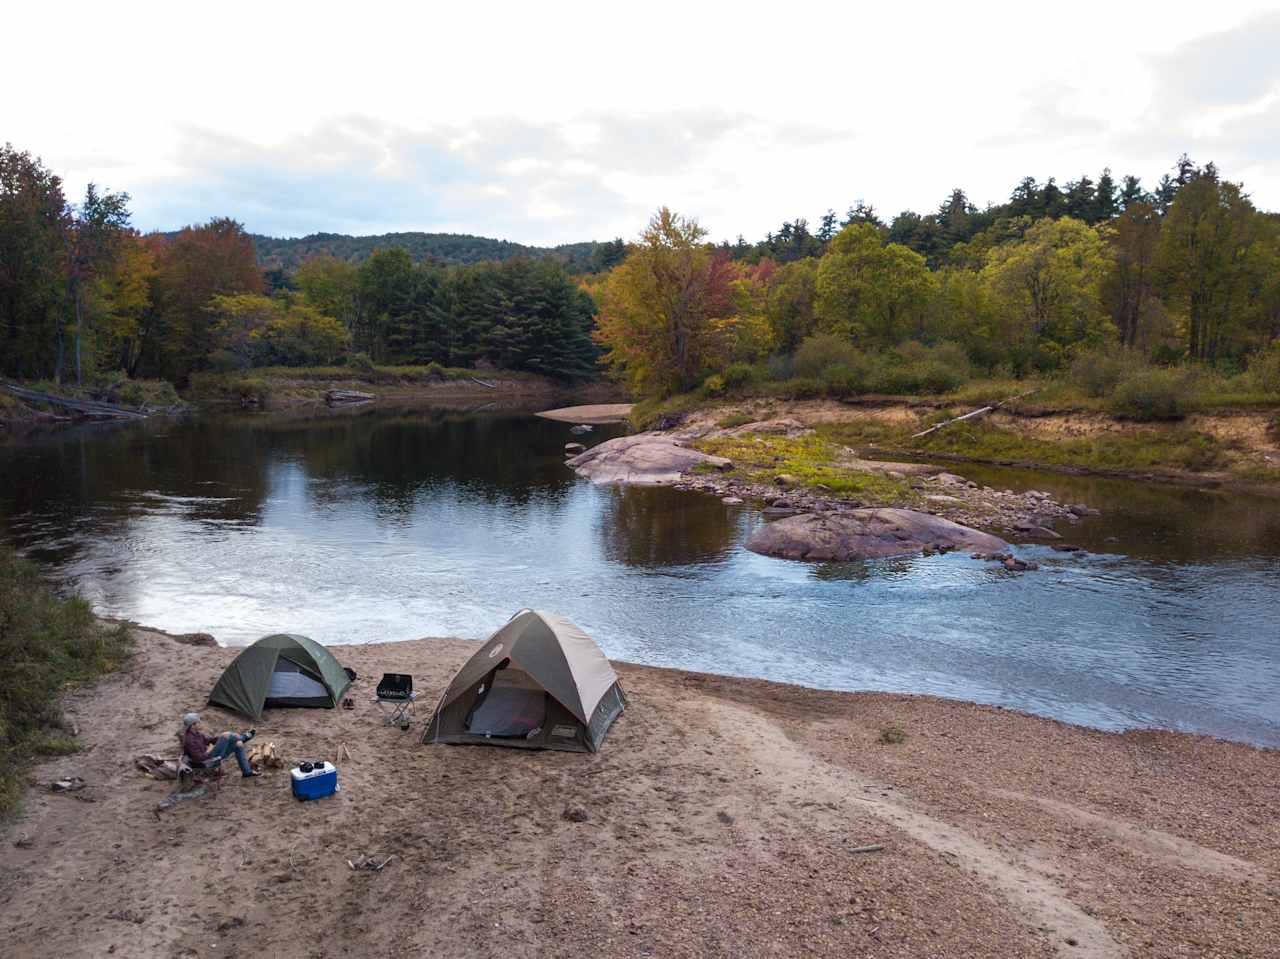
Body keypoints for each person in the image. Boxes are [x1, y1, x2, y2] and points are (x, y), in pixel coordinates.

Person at [181, 713, 260, 778]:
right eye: (199, 722)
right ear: (193, 725)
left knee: (238, 744)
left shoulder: (198, 734)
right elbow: (199, 758)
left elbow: (212, 740)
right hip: (207, 762)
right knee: (227, 735)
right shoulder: (189, 740)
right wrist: (210, 750)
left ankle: (247, 772)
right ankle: (244, 737)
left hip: (209, 757)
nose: (201, 723)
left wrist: (222, 739)